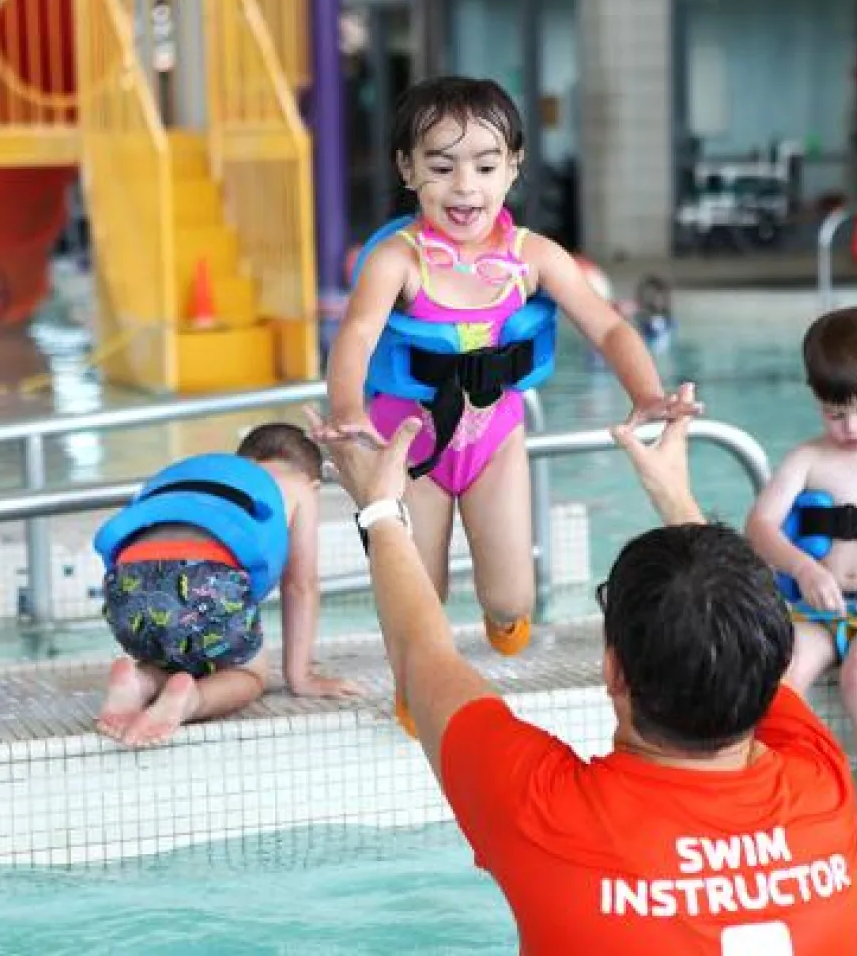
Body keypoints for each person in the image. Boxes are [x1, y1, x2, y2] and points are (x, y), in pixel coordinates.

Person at [311, 384, 857, 953]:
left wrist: (379, 507)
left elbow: (423, 655)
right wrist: (677, 496)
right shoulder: (824, 785)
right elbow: (736, 639)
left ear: (615, 672)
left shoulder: (545, 812)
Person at [314, 76, 697, 734]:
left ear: (514, 167)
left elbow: (606, 326)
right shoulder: (398, 263)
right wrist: (348, 410)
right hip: (409, 447)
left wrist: (648, 394)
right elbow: (355, 336)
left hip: (494, 440)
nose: (466, 187)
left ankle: (501, 615)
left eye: (486, 166)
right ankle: (417, 675)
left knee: (511, 596)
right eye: (442, 166)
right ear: (408, 169)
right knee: (419, 588)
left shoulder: (533, 258)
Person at [92, 423, 359, 747]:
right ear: (314, 483)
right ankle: (190, 700)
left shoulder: (208, 477)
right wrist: (300, 676)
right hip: (206, 577)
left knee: (177, 652)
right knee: (248, 673)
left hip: (126, 583)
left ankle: (140, 682)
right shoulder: (298, 486)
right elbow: (300, 586)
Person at [746, 307, 857, 743]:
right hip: (819, 612)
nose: (850, 427)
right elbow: (760, 526)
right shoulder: (807, 459)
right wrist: (803, 568)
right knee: (777, 684)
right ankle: (779, 785)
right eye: (834, 414)